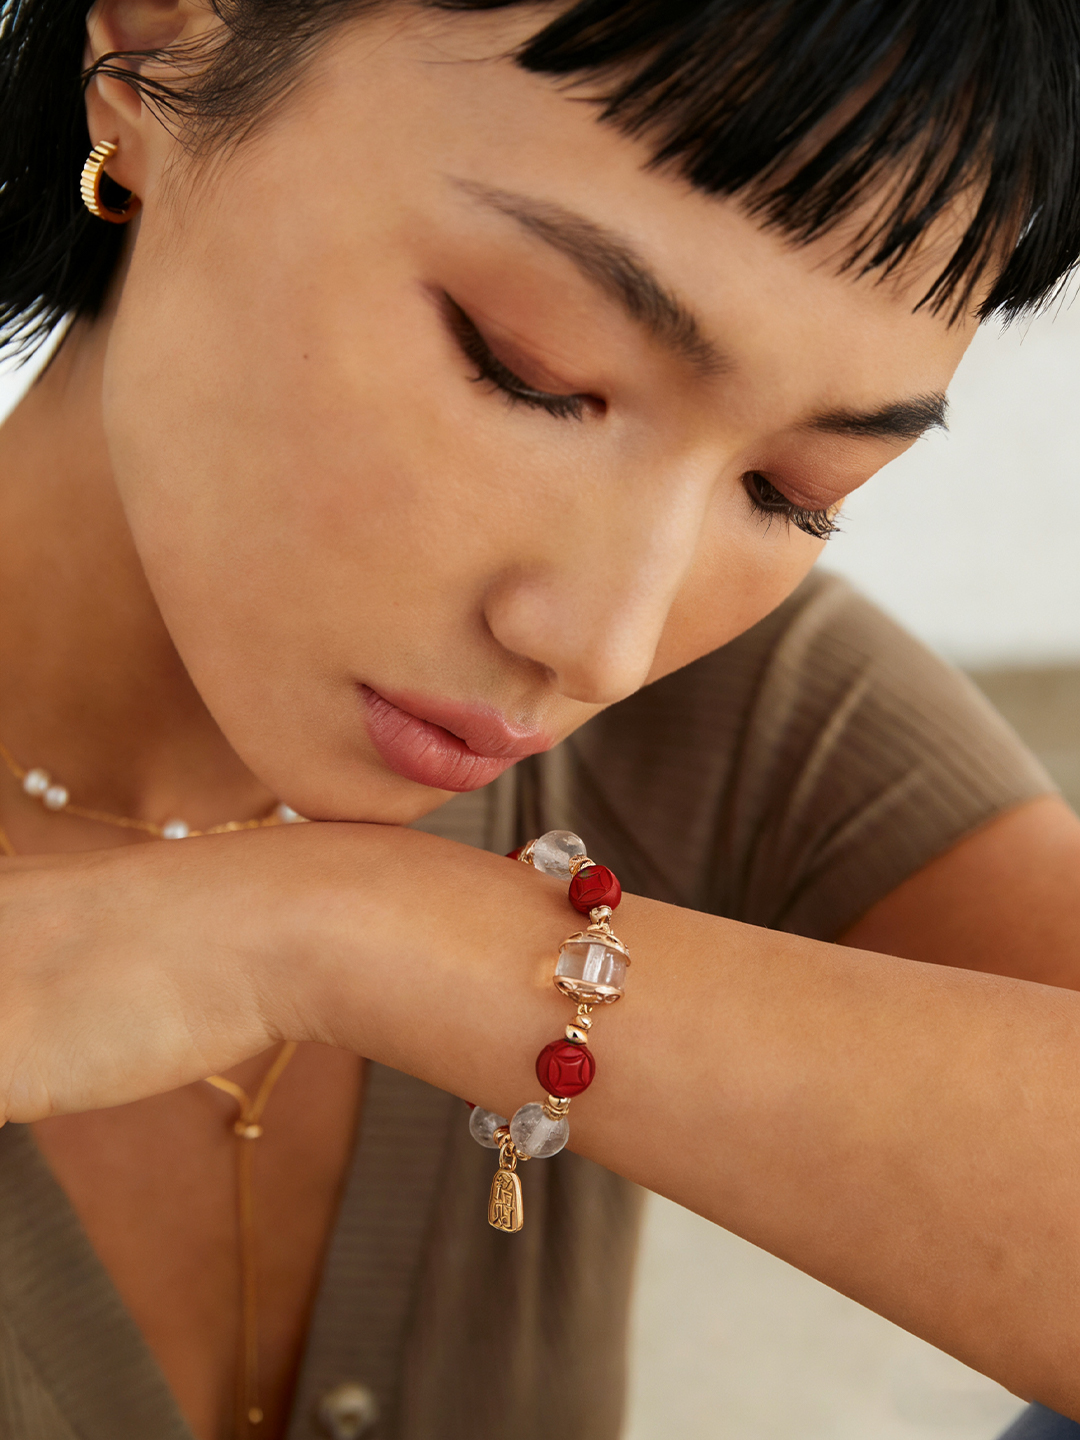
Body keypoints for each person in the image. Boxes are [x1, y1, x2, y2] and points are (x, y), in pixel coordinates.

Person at [2, 1, 1080, 1437]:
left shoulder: (728, 708)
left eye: (793, 492)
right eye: (530, 368)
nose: (606, 645)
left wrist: (342, 934)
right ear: (157, 48)